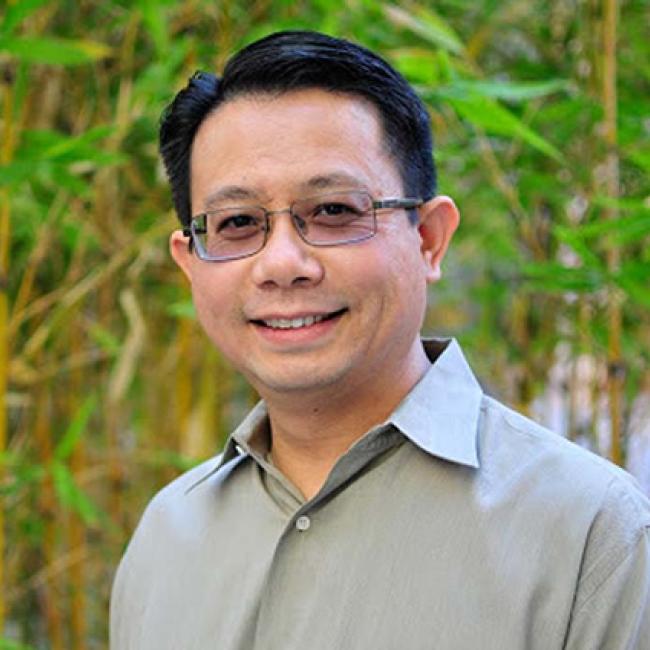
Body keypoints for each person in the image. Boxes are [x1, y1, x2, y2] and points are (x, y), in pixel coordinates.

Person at [110, 31, 650, 649]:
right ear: (191, 263)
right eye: (237, 224)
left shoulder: (590, 531)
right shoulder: (166, 535)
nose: (283, 263)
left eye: (335, 210)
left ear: (429, 240)